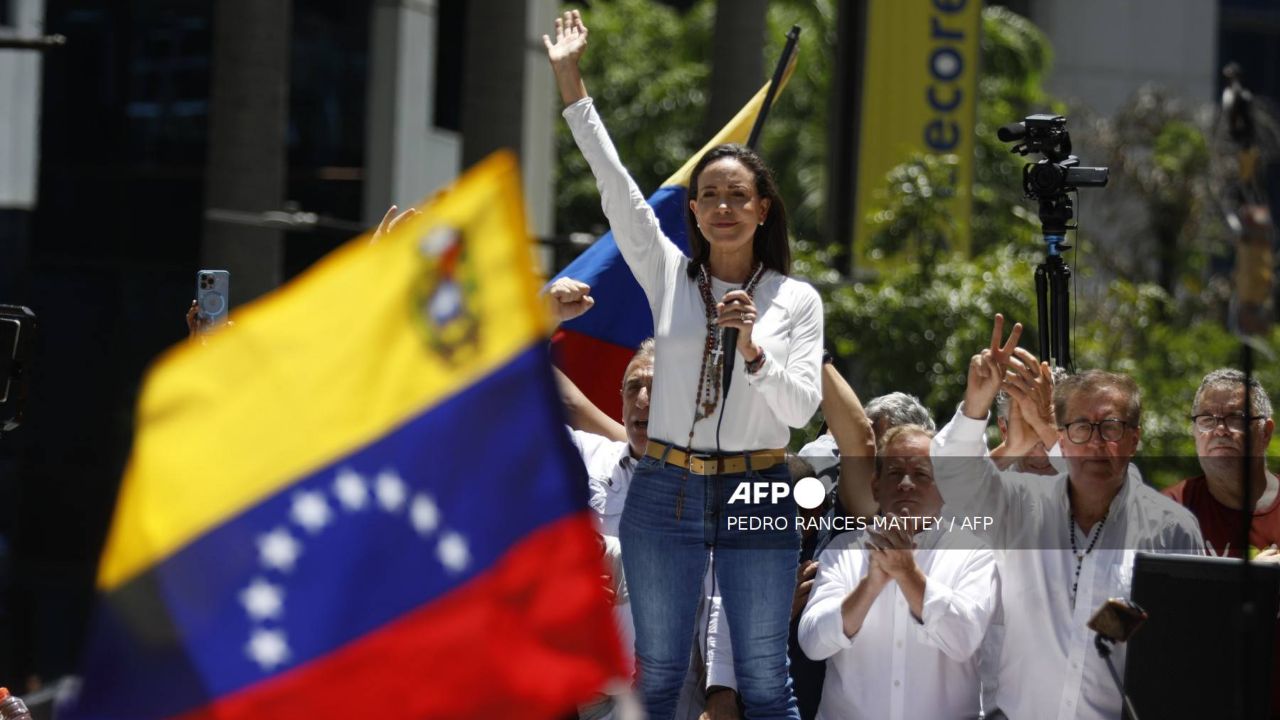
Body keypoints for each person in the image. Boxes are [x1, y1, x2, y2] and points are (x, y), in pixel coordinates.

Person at [546, 11, 823, 718]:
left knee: (764, 678)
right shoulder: (669, 276)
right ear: (694, 213)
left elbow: (796, 413)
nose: (723, 206)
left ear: (764, 210)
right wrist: (569, 77)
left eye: (739, 196)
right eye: (710, 196)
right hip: (664, 488)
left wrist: (754, 349)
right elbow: (616, 186)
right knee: (658, 673)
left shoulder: (795, 299)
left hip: (757, 489)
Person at [930, 314, 1203, 720]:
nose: (1095, 443)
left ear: (1134, 437)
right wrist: (976, 403)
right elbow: (955, 480)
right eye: (1080, 428)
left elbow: (1191, 651)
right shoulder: (1022, 503)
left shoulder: (1170, 529)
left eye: (1110, 428)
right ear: (1061, 436)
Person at [547, 279, 740, 720]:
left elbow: (722, 597)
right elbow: (517, 409)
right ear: (619, 403)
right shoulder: (587, 458)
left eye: (656, 387)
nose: (643, 399)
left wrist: (722, 692)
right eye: (633, 387)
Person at [799, 425, 997, 720]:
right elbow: (813, 642)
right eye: (894, 473)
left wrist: (907, 574)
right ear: (876, 485)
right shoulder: (843, 550)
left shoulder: (974, 554)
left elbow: (964, 639)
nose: (906, 483)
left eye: (921, 474)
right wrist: (870, 586)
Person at [1164, 368, 1280, 560]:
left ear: (1265, 433)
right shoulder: (1169, 511)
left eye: (1236, 419)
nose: (1219, 430)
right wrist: (1257, 581)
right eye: (1207, 419)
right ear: (1194, 432)